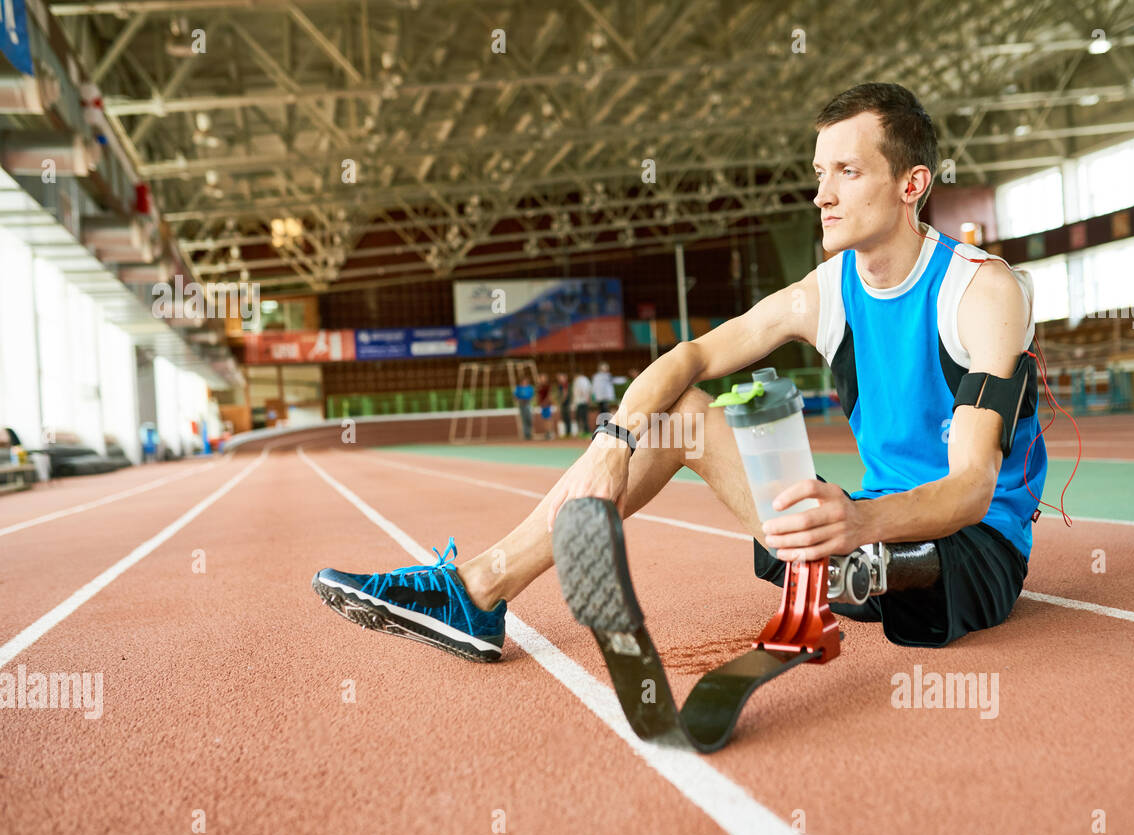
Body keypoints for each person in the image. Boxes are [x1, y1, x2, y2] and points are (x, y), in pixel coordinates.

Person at [312, 81, 1045, 662]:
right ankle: (479, 588)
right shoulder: (826, 291)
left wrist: (859, 520)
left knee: (906, 555)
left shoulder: (979, 292)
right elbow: (691, 356)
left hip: (969, 548)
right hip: (856, 528)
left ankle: (869, 568)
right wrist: (614, 440)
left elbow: (972, 486)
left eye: (847, 172)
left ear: (912, 183)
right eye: (820, 172)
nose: (821, 194)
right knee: (679, 410)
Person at [591, 362, 616, 426]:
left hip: (603, 397)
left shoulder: (606, 376)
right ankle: (604, 424)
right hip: (602, 397)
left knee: (604, 410)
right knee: (603, 411)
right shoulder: (599, 376)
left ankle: (605, 424)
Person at [571, 370, 592, 436]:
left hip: (580, 401)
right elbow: (589, 389)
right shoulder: (586, 379)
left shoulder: (578, 380)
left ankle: (584, 431)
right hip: (584, 401)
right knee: (584, 417)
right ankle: (584, 431)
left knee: (581, 417)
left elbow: (579, 391)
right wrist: (588, 398)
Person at [513, 376, 534, 440]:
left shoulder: (530, 388)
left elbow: (532, 396)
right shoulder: (518, 388)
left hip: (528, 404)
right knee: (524, 419)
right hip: (521, 404)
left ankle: (530, 432)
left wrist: (529, 400)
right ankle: (527, 434)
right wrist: (519, 400)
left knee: (530, 419)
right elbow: (515, 396)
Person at [536, 372, 554, 440]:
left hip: (547, 405)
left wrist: (545, 402)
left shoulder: (547, 386)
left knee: (548, 419)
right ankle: (547, 432)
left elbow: (549, 395)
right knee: (545, 419)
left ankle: (550, 433)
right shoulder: (539, 386)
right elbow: (538, 396)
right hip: (542, 405)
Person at [556, 373, 572, 438]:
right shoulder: (561, 385)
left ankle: (568, 433)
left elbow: (565, 393)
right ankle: (567, 433)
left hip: (565, 404)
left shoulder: (565, 384)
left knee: (567, 418)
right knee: (565, 418)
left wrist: (562, 401)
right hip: (564, 403)